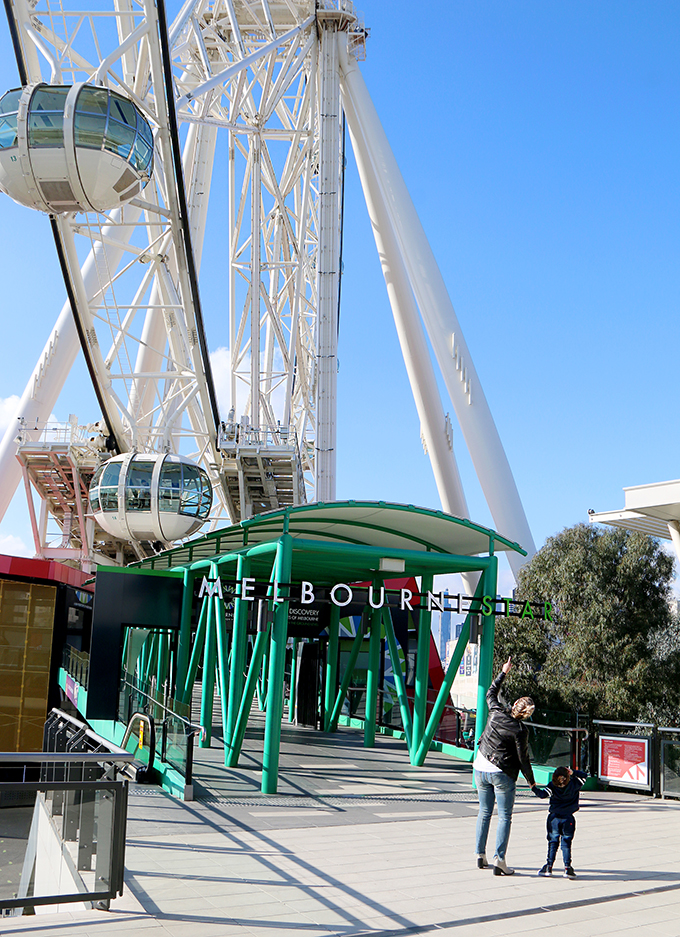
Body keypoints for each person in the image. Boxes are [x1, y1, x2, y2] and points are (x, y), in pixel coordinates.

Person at [474, 656, 537, 876]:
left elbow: (490, 692)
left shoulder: (495, 711)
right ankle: (499, 860)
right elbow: (523, 759)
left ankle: (479, 855)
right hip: (501, 773)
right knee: (504, 817)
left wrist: (504, 672)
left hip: (480, 767)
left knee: (484, 812)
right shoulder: (521, 730)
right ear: (527, 714)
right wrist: (532, 783)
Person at [533, 765, 588, 877]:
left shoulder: (552, 786)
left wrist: (533, 787)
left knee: (553, 841)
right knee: (566, 843)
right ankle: (567, 868)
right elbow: (584, 776)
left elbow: (542, 794)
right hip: (568, 817)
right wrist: (573, 772)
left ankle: (549, 866)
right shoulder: (575, 784)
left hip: (554, 818)